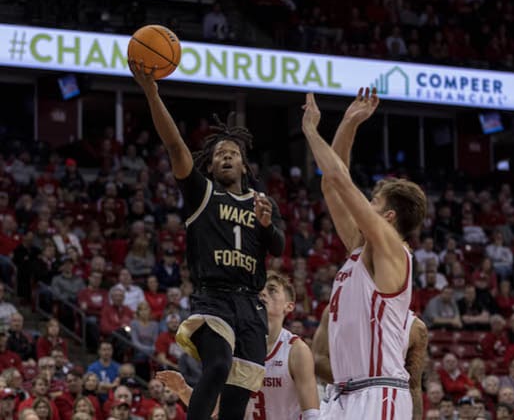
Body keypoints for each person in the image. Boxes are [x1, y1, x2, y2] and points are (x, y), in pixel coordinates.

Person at [129, 61, 285, 420]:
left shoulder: (263, 204)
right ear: (211, 167)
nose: (226, 156)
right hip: (213, 297)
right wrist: (153, 93)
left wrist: (265, 226)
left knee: (234, 404)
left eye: (232, 153)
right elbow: (174, 144)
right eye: (218, 155)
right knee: (217, 365)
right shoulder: (202, 193)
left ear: (245, 165)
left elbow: (277, 248)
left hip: (251, 306)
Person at [302, 90, 427, 419]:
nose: (366, 207)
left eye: (374, 203)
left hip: (378, 392)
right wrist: (348, 123)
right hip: (344, 393)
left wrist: (312, 132)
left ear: (388, 218)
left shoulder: (392, 250)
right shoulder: (361, 249)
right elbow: (331, 185)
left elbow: (341, 182)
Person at [158, 271, 320, 419]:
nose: (263, 293)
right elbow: (215, 408)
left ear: (289, 306)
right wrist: (182, 390)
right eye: (260, 290)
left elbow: (311, 414)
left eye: (272, 290)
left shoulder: (296, 350)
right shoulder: (236, 346)